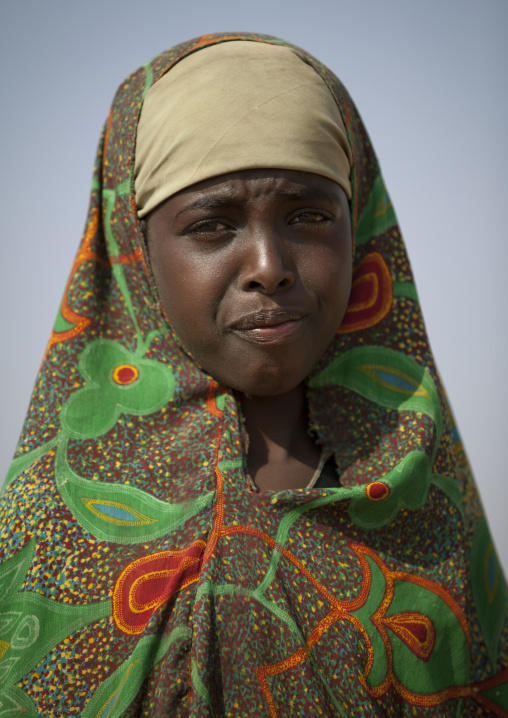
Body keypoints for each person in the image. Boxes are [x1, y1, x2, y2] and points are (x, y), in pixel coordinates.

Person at [0, 31, 506, 717]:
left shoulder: (422, 500)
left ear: (361, 229)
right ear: (135, 250)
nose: (269, 264)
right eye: (213, 225)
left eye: (308, 216)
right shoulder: (57, 535)